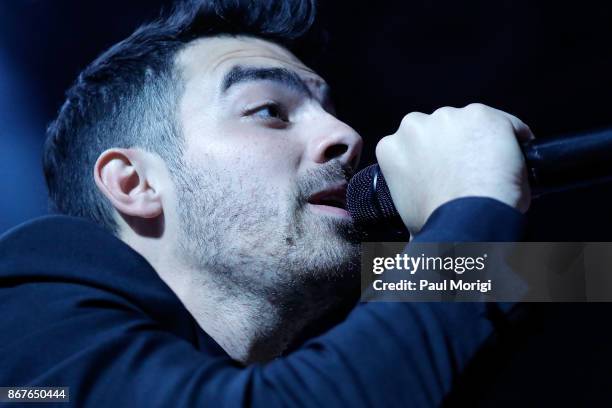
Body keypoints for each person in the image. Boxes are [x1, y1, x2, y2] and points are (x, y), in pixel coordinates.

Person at [0, 0, 532, 406]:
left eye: (331, 109)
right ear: (133, 182)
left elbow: (562, 276)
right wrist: (470, 207)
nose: (345, 135)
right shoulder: (23, 322)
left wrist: (468, 232)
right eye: (269, 110)